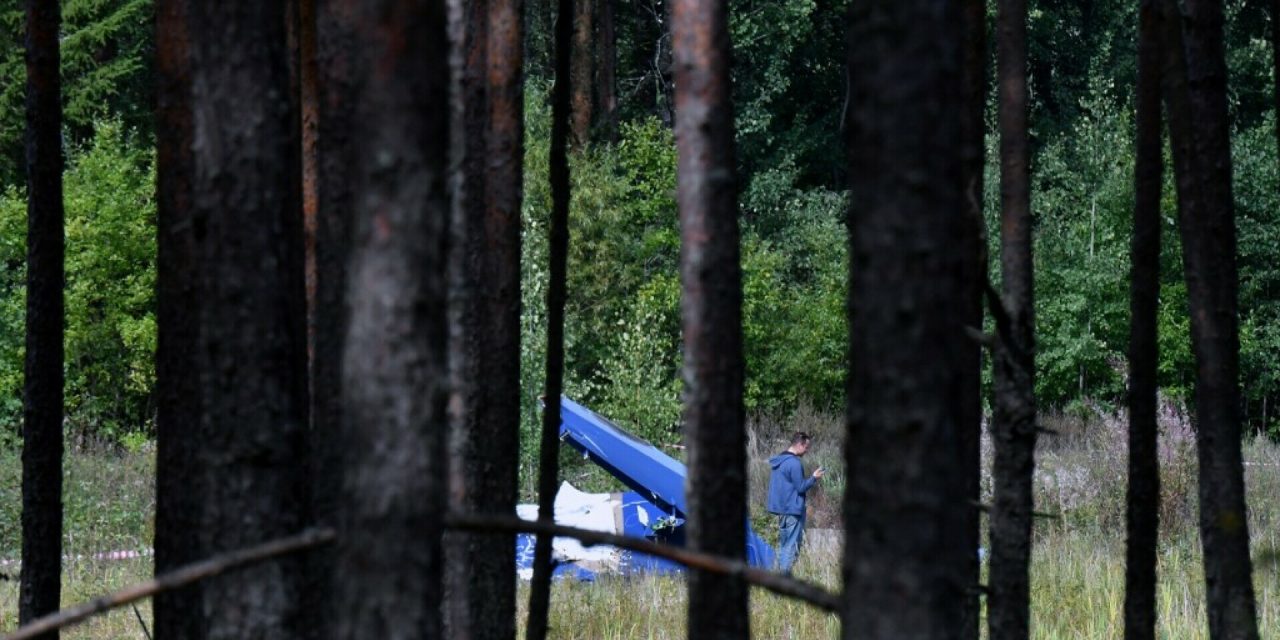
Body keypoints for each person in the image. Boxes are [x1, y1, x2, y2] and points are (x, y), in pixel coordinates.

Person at [766, 431, 824, 575]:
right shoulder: (794, 463)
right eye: (806, 447)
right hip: (793, 511)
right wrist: (814, 478)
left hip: (782, 511)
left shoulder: (779, 461)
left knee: (783, 546)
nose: (807, 450)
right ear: (799, 444)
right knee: (790, 548)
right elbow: (801, 487)